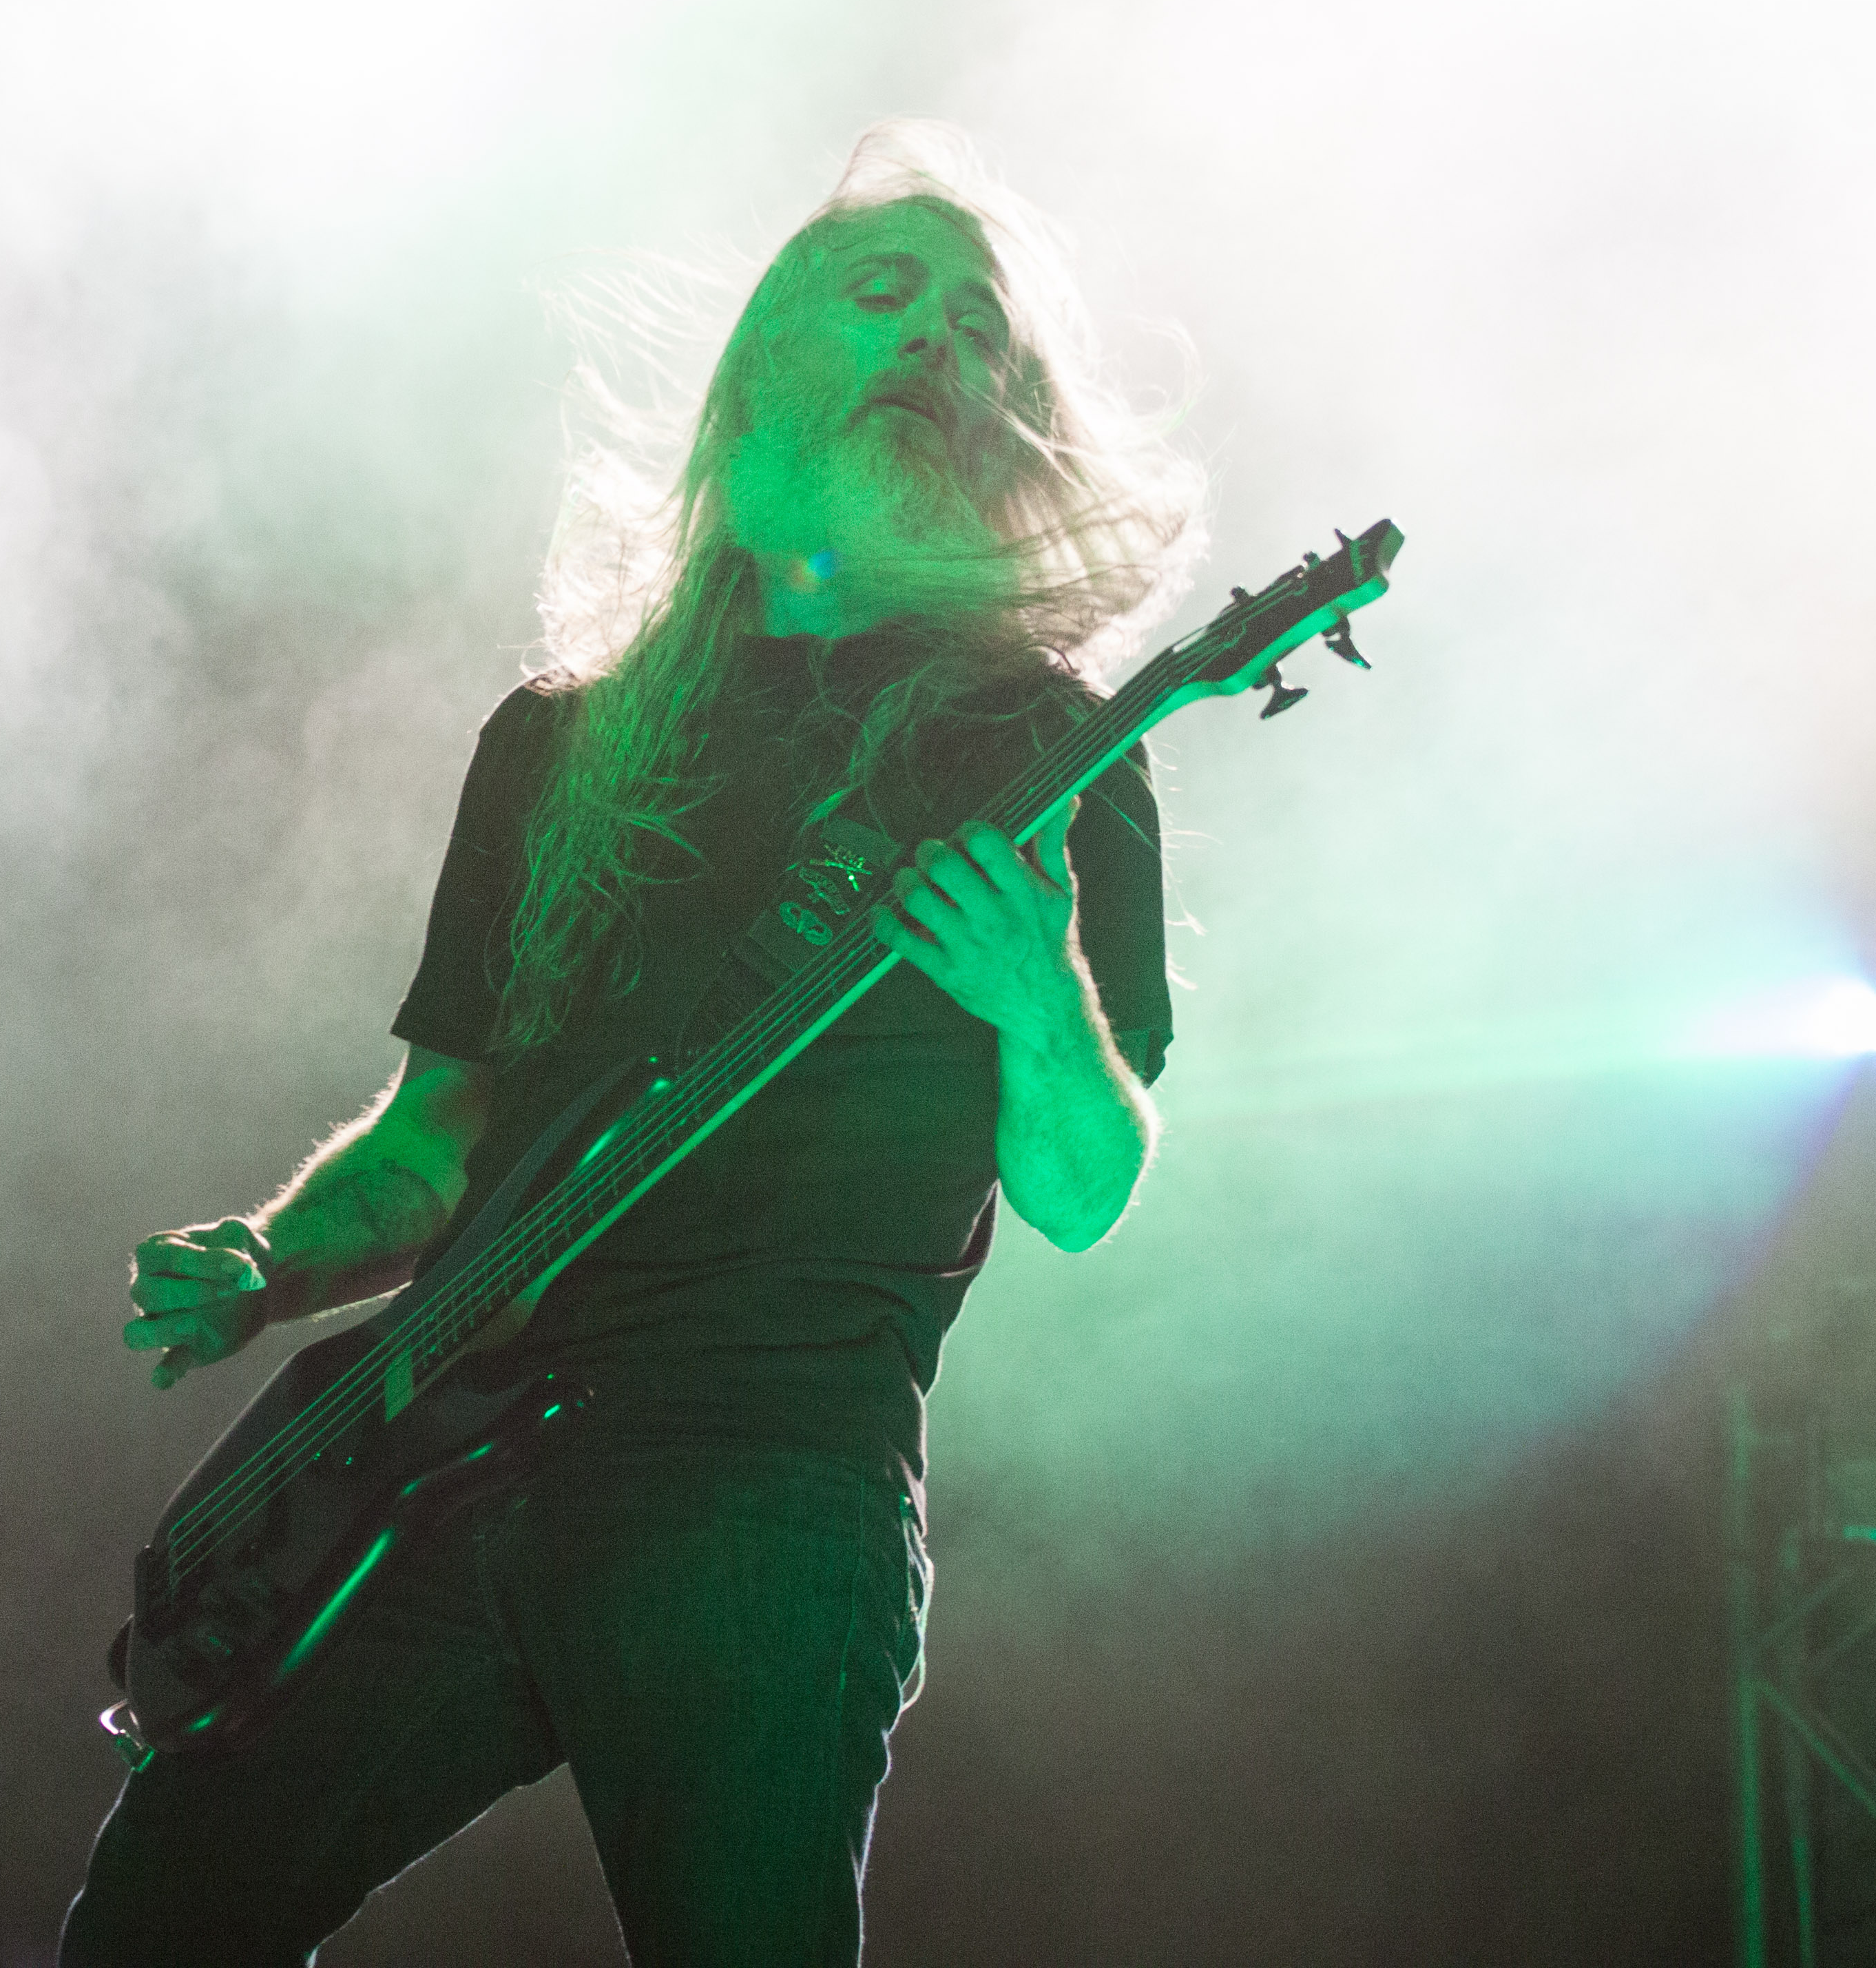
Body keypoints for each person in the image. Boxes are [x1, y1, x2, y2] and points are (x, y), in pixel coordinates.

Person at [61, 121, 1207, 1967]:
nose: (937, 335)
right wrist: (270, 1262)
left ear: (1013, 423)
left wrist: (1035, 994)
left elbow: (1083, 1193)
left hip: (765, 1476)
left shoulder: (1043, 749)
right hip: (449, 1460)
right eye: (887, 290)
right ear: (768, 357)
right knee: (152, 1931)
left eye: (980, 324)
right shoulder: (559, 744)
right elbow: (438, 1142)